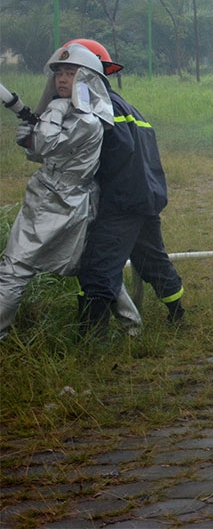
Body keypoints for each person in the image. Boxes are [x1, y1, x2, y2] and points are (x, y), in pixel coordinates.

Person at [0, 44, 141, 340]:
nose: (63, 79)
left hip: (54, 202)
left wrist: (52, 111)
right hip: (70, 201)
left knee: (14, 268)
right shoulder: (75, 115)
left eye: (71, 73)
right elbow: (40, 150)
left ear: (87, 79)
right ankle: (133, 329)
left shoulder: (87, 120)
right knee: (96, 269)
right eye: (59, 73)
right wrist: (30, 136)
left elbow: (47, 144)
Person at [68, 39, 185, 334]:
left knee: (98, 266)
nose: (63, 79)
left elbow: (101, 157)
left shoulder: (100, 108)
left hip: (121, 203)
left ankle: (91, 338)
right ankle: (178, 314)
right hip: (146, 198)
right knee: (152, 261)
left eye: (70, 72)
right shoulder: (125, 106)